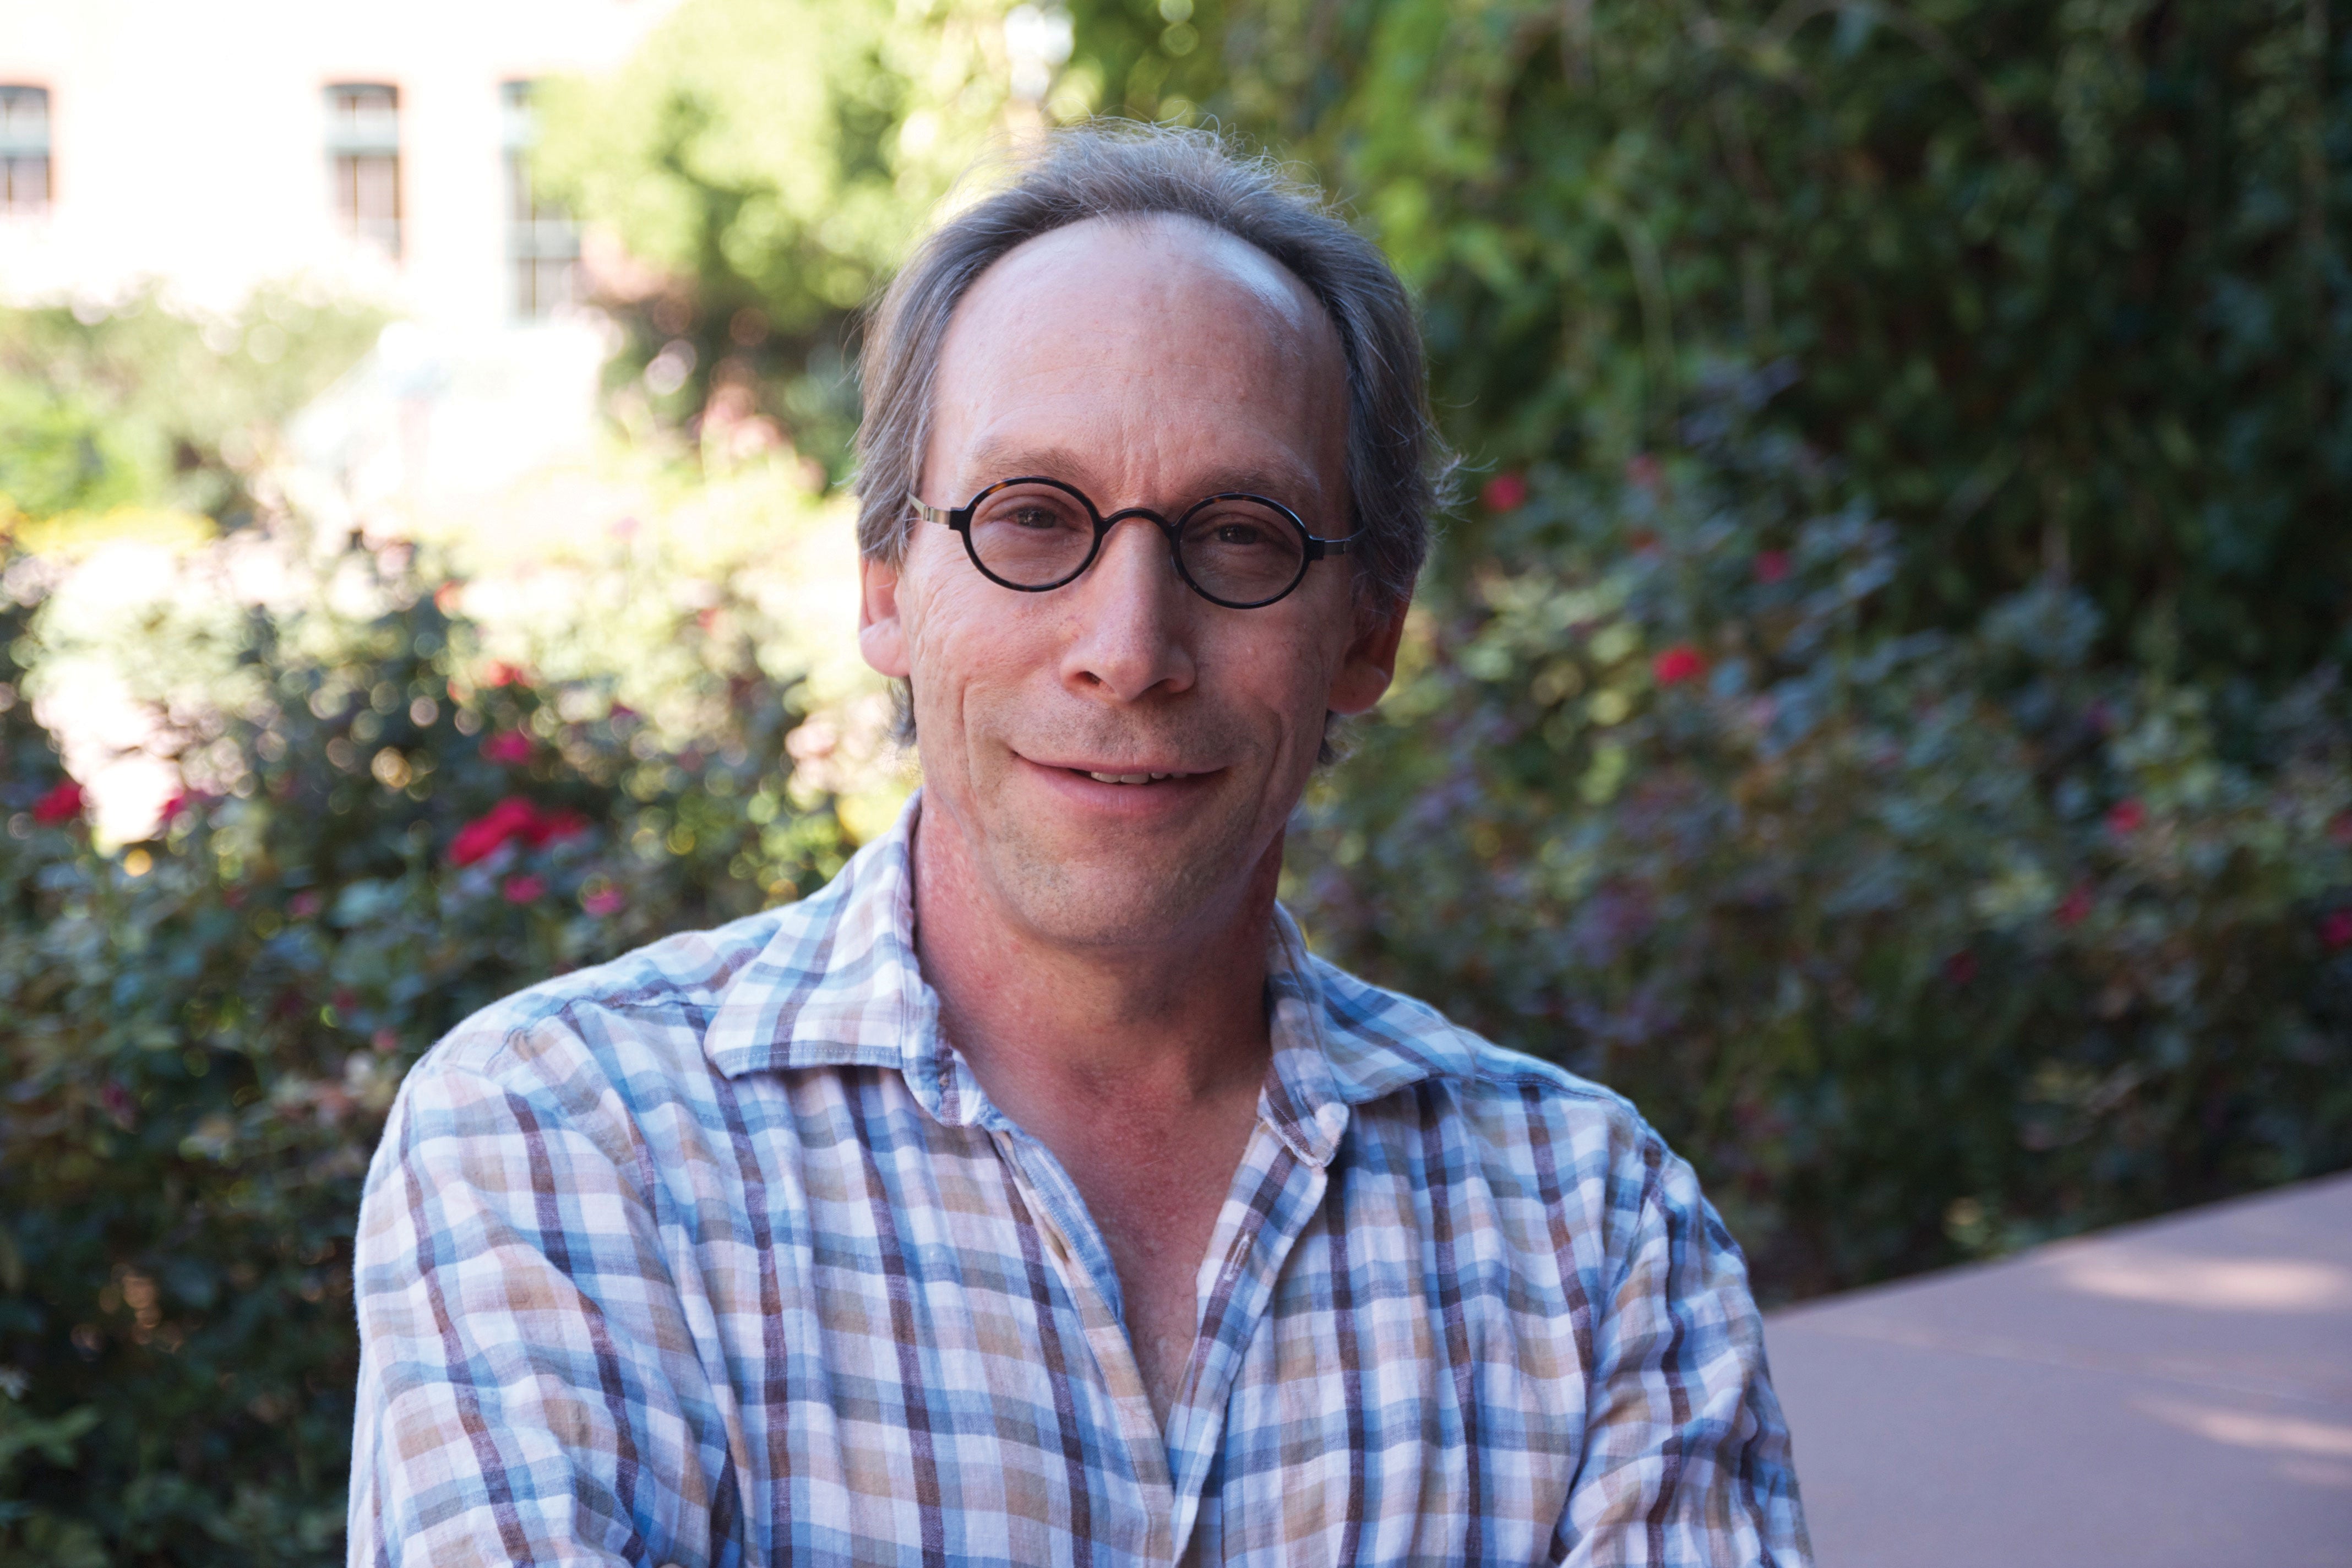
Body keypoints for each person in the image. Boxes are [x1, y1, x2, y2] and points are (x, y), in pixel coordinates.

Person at [349, 124, 1809, 1567]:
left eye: (1239, 535)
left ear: (1369, 627)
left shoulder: (1592, 1241)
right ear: (885, 585)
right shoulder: (563, 1148)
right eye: (1032, 519)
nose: (1128, 649)